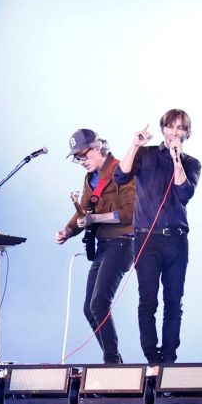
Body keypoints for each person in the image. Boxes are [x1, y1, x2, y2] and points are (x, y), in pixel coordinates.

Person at [117, 109, 201, 364]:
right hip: (147, 238)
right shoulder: (145, 154)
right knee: (148, 301)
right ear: (163, 128)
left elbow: (184, 194)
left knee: (173, 302)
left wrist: (177, 159)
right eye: (170, 127)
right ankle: (152, 358)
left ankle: (169, 359)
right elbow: (120, 176)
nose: (174, 132)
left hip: (176, 240)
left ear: (186, 133)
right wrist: (134, 145)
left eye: (180, 128)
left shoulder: (191, 163)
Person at [56, 129, 136, 364]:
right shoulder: (90, 178)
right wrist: (68, 231)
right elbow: (83, 210)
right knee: (89, 308)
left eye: (83, 155)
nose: (81, 161)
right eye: (77, 158)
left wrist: (96, 219)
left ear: (99, 146)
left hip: (122, 243)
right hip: (103, 246)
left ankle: (112, 363)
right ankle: (114, 360)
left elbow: (131, 212)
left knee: (99, 303)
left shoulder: (122, 170)